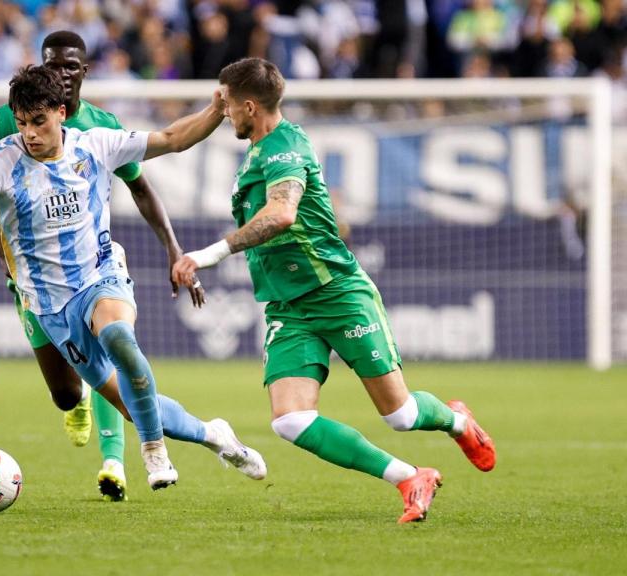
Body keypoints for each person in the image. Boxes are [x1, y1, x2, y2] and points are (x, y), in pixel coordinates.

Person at [0, 65, 266, 491]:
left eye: (39, 122)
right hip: (49, 304)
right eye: (22, 123)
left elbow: (171, 139)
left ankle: (153, 453)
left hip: (101, 274)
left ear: (60, 112)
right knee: (116, 402)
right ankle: (214, 434)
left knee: (117, 335)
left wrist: (214, 110)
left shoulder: (96, 144)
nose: (30, 133)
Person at [172, 58, 497, 524]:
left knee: (400, 415)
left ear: (248, 105)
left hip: (337, 293)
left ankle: (458, 421)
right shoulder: (258, 150)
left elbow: (282, 213)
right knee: (290, 420)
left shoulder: (284, 148)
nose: (223, 114)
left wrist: (209, 254)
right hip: (288, 305)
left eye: (226, 105)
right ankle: (410, 477)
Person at [0, 31, 204, 502]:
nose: (61, 73)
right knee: (65, 394)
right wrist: (0, 248)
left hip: (91, 270)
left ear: (83, 71)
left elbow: (141, 188)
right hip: (34, 279)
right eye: (52, 64)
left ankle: (119, 458)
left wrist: (174, 250)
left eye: (70, 66)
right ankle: (78, 407)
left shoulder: (101, 126)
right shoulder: (7, 120)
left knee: (113, 339)